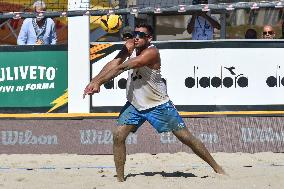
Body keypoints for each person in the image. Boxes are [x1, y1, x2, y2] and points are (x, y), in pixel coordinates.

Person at [83, 23, 225, 182]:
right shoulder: (131, 47)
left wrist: (99, 83)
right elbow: (114, 63)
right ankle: (120, 180)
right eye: (135, 33)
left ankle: (217, 168)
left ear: (149, 38)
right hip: (135, 104)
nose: (136, 37)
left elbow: (122, 67)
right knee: (118, 135)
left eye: (141, 35)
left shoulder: (151, 53)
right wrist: (93, 81)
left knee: (185, 137)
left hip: (158, 104)